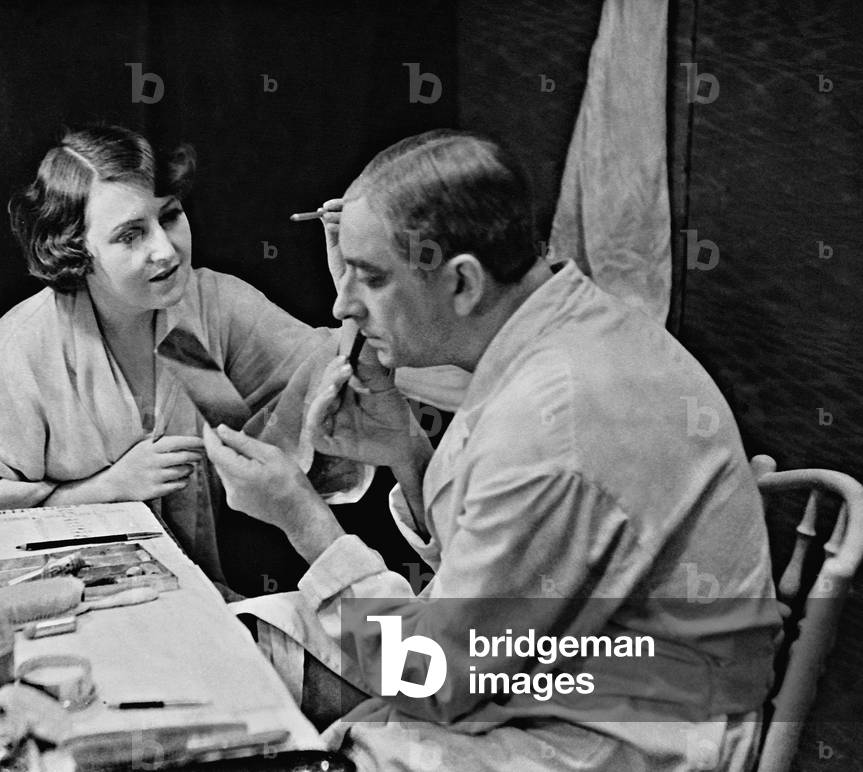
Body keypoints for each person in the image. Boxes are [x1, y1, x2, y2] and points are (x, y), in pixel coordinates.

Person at [204, 129, 782, 770]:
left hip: (616, 729)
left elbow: (438, 681)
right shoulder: (566, 324)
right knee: (233, 641)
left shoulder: (548, 420)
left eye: (370, 277)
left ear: (463, 284)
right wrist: (407, 451)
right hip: (554, 666)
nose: (344, 304)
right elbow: (505, 570)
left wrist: (302, 519)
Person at [0, 125, 367, 589]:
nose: (164, 250)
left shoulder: (201, 311)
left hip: (193, 592)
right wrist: (106, 489)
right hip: (55, 602)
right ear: (75, 249)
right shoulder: (25, 350)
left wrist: (358, 292)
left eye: (171, 216)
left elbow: (331, 388)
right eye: (130, 235)